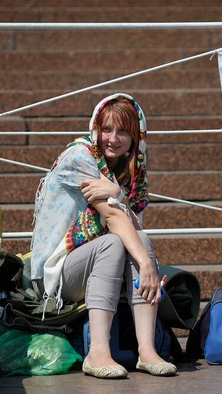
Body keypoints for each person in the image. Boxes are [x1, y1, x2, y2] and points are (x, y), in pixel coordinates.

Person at [29, 93, 178, 378]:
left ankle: (146, 351)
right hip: (54, 273)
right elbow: (113, 217)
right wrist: (146, 265)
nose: (113, 138)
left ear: (137, 136)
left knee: (141, 241)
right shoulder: (80, 156)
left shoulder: (128, 169)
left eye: (123, 131)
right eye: (106, 129)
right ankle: (97, 353)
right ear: (95, 128)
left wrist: (119, 192)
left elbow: (132, 224)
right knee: (113, 242)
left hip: (89, 263)